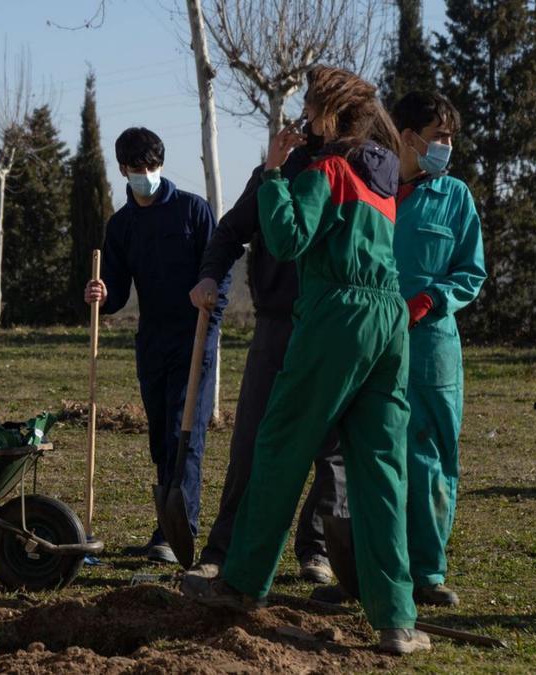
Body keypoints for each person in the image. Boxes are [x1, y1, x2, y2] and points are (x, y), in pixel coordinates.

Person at [203, 66, 430, 655]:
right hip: (390, 323)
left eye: (308, 107)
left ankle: (240, 583)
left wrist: (275, 174)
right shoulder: (382, 173)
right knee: (381, 470)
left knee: (280, 445)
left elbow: (285, 239)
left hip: (338, 318)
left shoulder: (328, 168)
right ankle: (397, 622)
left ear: (329, 112)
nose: (303, 117)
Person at [182, 136, 346, 593]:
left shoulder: (354, 173)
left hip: (332, 326)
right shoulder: (276, 176)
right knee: (251, 441)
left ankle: (316, 547)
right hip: (277, 326)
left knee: (330, 445)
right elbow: (230, 231)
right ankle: (222, 550)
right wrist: (210, 273)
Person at [84, 127, 227, 565]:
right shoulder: (122, 225)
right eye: (137, 168)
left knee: (187, 434)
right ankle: (164, 527)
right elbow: (119, 290)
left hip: (194, 337)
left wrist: (211, 314)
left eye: (152, 167)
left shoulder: (193, 211)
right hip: (152, 341)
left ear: (160, 166)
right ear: (123, 170)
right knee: (161, 435)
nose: (145, 175)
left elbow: (219, 272)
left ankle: (180, 532)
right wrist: (101, 296)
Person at [390, 90, 486, 607]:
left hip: (432, 350)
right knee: (377, 454)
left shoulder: (455, 198)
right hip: (376, 342)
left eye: (450, 137)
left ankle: (427, 571)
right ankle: (374, 565)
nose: (447, 146)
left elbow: (472, 272)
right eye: (440, 136)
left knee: (430, 458)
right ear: (408, 137)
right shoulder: (376, 188)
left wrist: (430, 299)